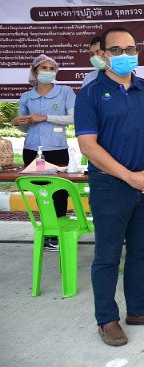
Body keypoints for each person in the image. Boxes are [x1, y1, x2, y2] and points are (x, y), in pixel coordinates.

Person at [75, 27, 144, 347]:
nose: (124, 55)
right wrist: (128, 176)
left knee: (141, 251)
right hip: (110, 186)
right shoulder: (90, 94)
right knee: (107, 255)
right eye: (116, 50)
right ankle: (107, 319)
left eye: (130, 49)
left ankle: (138, 310)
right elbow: (88, 146)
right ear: (103, 55)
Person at [13, 54, 76, 251]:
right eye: (43, 68)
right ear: (35, 71)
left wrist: (46, 117)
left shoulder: (65, 92)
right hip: (32, 150)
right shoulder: (26, 96)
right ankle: (47, 231)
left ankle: (58, 233)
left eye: (51, 69)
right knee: (41, 193)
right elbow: (24, 128)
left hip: (57, 150)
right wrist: (18, 122)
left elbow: (73, 118)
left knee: (59, 192)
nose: (48, 72)